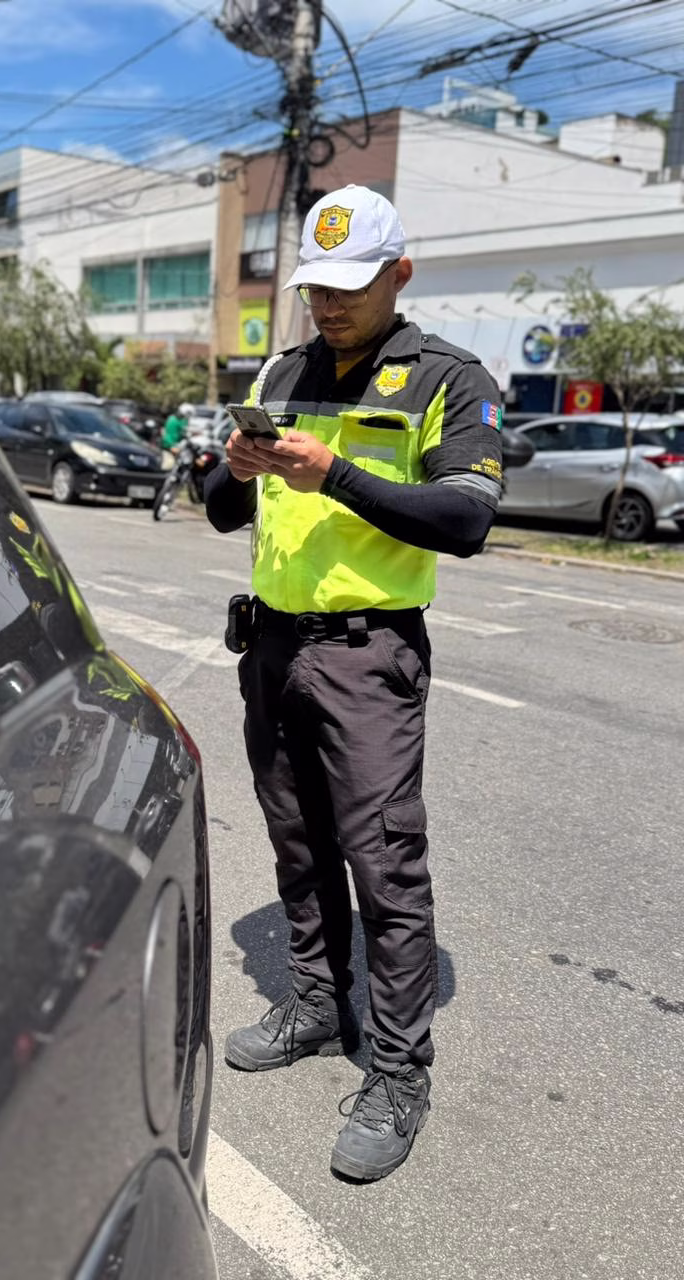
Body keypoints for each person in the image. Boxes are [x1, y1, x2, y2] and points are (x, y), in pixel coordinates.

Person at [205, 184, 504, 1182]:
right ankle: (316, 1003)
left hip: (369, 655)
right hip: (272, 646)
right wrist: (238, 465)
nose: (328, 306)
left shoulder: (446, 378)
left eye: (349, 286)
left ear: (399, 274)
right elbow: (218, 509)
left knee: (385, 865)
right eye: (316, 288)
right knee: (297, 843)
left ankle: (399, 1071)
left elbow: (466, 520)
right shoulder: (283, 367)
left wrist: (332, 472)